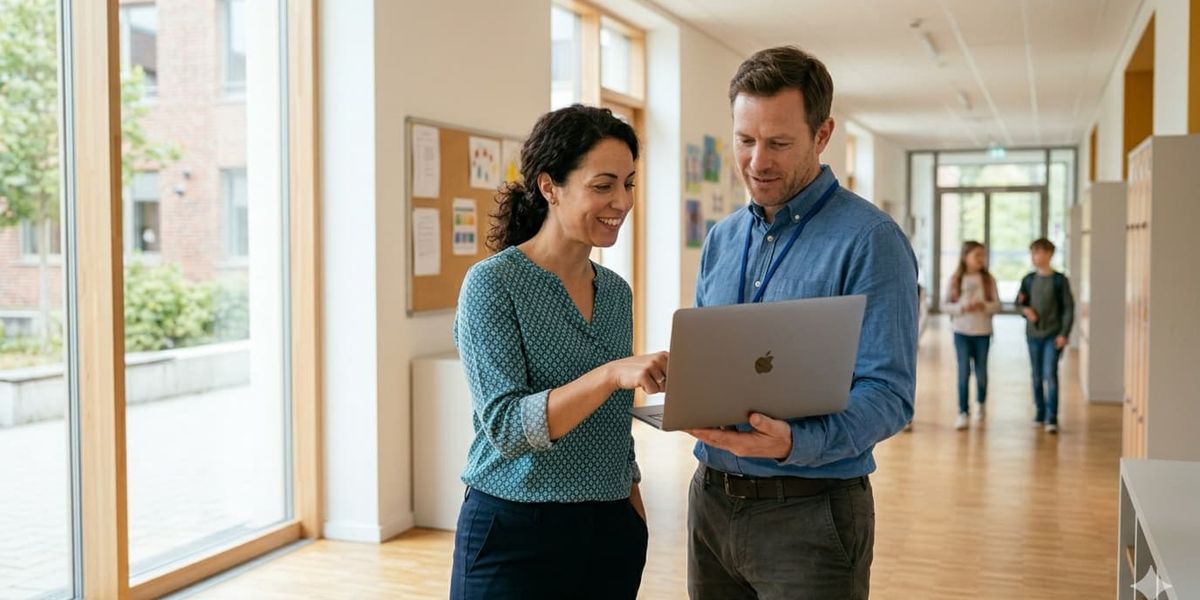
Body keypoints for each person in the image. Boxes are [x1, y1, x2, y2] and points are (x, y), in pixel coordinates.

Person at [686, 46, 918, 599]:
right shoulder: (721, 239)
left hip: (811, 514)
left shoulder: (870, 241)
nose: (757, 162)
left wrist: (794, 442)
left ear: (822, 135)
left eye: (779, 143)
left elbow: (889, 394)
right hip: (711, 502)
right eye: (745, 140)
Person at [449, 104, 669, 600]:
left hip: (611, 531)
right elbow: (506, 427)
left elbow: (610, 421)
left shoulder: (615, 292)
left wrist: (631, 505)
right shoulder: (493, 284)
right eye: (603, 185)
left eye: (629, 183)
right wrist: (611, 374)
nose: (622, 201)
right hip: (515, 532)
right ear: (550, 187)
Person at [1015, 238, 1074, 434]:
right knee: (1036, 374)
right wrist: (1026, 311)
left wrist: (1064, 334)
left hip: (1053, 335)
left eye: (1038, 253)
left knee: (1050, 374)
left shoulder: (1059, 280)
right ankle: (1039, 412)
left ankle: (1052, 417)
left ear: (1049, 254)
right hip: (1033, 335)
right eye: (1033, 253)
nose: (1035, 257)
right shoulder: (1028, 280)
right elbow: (1019, 303)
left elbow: (1068, 309)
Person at [943, 241, 1001, 430]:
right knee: (963, 372)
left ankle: (981, 403)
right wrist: (961, 307)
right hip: (961, 332)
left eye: (983, 255)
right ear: (965, 257)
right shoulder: (955, 280)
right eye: (977, 255)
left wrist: (984, 305)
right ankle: (962, 412)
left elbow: (998, 305)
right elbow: (944, 306)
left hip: (983, 332)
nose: (981, 259)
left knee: (981, 372)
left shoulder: (988, 280)